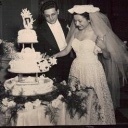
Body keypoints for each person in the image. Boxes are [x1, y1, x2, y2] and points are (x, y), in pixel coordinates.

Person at [52, 4, 128, 125]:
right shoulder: (75, 31)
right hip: (76, 69)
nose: (77, 24)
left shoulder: (98, 33)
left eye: (80, 21)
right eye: (75, 21)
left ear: (89, 19)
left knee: (94, 100)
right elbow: (66, 51)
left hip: (92, 70)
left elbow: (107, 56)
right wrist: (53, 56)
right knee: (77, 100)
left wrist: (103, 48)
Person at [35, 0, 73, 83]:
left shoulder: (67, 23)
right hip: (54, 67)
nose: (51, 18)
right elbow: (40, 52)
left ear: (58, 11)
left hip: (71, 62)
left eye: (53, 14)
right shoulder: (39, 31)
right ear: (43, 15)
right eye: (47, 16)